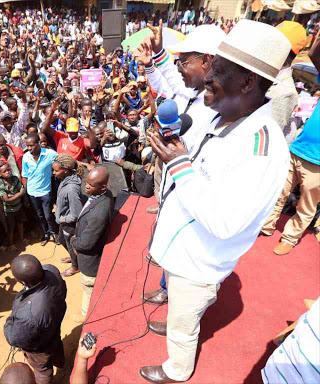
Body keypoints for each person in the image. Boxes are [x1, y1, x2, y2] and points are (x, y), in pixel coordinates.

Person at [138, 20, 291, 383]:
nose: (205, 78)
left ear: (248, 82)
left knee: (182, 323)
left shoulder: (263, 149)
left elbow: (225, 222)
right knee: (181, 310)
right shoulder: (220, 111)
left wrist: (179, 165)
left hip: (198, 263)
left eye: (216, 71)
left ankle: (177, 368)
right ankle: (182, 322)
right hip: (181, 251)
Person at [135, 22, 225, 214]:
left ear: (207, 60)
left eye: (183, 63)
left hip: (187, 197)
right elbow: (169, 81)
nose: (178, 69)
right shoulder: (191, 91)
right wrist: (155, 57)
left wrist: (171, 145)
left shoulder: (215, 107)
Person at [261, 31, 320, 255]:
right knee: (278, 192)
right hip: (296, 149)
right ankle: (266, 226)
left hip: (317, 162)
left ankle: (289, 237)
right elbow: (316, 53)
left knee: (307, 204)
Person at [4, 254, 67, 384]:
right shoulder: (52, 271)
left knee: (42, 370)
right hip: (54, 326)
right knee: (56, 346)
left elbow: (14, 338)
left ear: (23, 282)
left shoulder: (28, 315)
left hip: (39, 347)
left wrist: (9, 322)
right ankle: (62, 364)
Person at [70, 167, 112, 323]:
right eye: (86, 182)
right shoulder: (102, 194)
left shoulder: (99, 212)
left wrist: (74, 240)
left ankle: (86, 317)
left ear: (103, 187)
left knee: (89, 290)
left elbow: (86, 244)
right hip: (89, 253)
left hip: (90, 263)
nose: (86, 186)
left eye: (91, 184)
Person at [22, 133, 58, 246]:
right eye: (27, 146)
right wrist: (25, 193)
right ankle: (46, 234)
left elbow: (62, 161)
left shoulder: (50, 154)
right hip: (32, 192)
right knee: (39, 215)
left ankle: (54, 233)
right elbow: (25, 176)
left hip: (46, 191)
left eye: (31, 145)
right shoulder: (26, 157)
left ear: (38, 143)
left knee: (48, 215)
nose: (29, 148)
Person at [52, 154, 85, 278]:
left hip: (69, 224)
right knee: (62, 240)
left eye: (56, 170)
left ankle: (76, 267)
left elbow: (76, 214)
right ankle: (73, 258)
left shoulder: (71, 188)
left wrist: (61, 218)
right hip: (63, 222)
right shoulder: (65, 180)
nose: (53, 173)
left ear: (65, 170)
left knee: (71, 245)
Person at [0, 161, 27, 251]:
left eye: (8, 169)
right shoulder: (1, 185)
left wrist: (17, 195)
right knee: (11, 228)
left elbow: (22, 191)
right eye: (5, 171)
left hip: (19, 207)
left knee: (20, 224)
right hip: (9, 211)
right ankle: (11, 243)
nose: (8, 172)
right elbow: (7, 200)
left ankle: (21, 238)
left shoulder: (15, 179)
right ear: (0, 174)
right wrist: (19, 194)